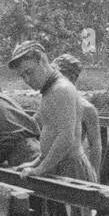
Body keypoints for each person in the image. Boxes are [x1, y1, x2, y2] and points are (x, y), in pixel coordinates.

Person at [8, 40, 96, 182]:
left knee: (76, 204)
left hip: (71, 168)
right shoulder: (49, 90)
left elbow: (66, 137)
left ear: (42, 60)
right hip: (58, 164)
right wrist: (36, 162)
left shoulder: (61, 89)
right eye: (23, 76)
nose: (27, 80)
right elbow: (49, 132)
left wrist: (39, 170)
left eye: (29, 72)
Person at [50, 54, 102, 176]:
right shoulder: (49, 102)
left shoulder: (87, 109)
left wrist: (94, 176)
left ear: (72, 78)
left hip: (72, 166)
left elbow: (95, 146)